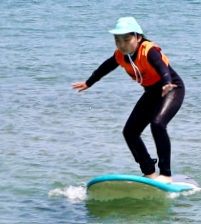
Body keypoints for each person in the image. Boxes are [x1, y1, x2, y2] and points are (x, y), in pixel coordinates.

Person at [72, 17, 185, 182]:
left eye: (126, 39)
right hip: (152, 93)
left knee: (158, 124)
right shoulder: (121, 55)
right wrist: (89, 82)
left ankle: (166, 174)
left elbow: (161, 66)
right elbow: (106, 67)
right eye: (118, 40)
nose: (122, 44)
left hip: (171, 88)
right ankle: (149, 173)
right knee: (130, 132)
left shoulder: (148, 50)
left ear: (138, 37)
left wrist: (167, 82)